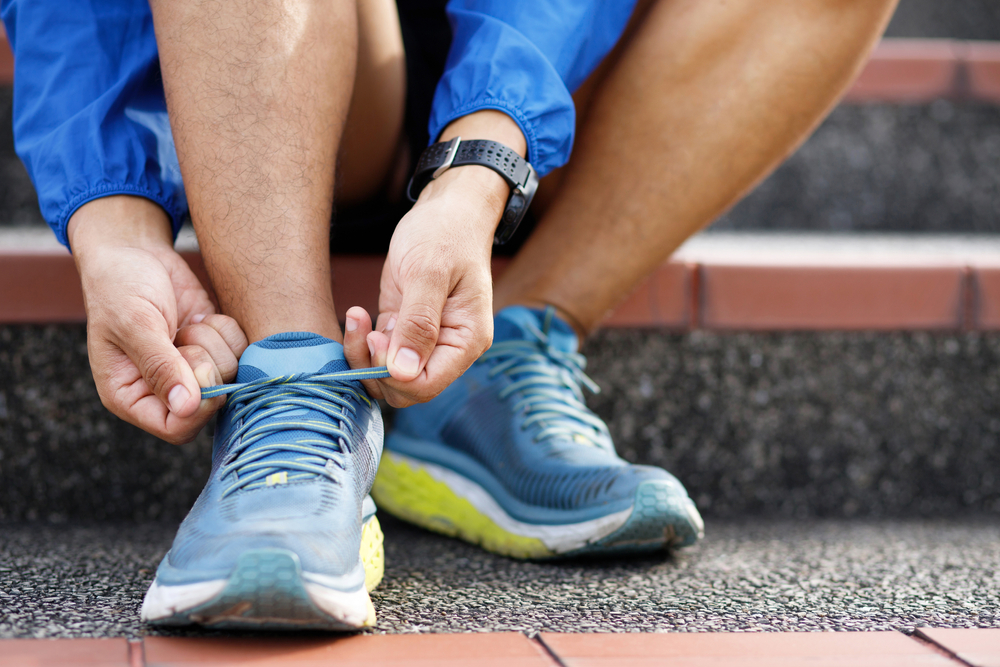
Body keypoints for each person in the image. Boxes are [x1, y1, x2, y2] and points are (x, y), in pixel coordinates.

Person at [3, 0, 898, 630]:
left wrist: (482, 161)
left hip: (543, 74)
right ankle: (296, 379)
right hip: (276, 63)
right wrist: (112, 219)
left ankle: (506, 345)